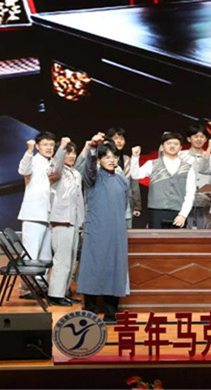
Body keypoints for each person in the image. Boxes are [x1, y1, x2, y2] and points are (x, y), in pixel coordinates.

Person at [76, 133, 130, 322]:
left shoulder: (122, 180)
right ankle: (91, 310)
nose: (111, 160)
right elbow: (89, 167)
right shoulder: (93, 177)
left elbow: (123, 206)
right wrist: (93, 148)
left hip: (116, 231)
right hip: (96, 230)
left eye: (114, 156)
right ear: (99, 159)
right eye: (106, 156)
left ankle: (110, 312)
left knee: (114, 268)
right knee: (93, 267)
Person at [17, 132, 68, 298]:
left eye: (51, 145)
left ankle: (40, 286)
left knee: (45, 255)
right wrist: (29, 151)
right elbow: (23, 170)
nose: (49, 148)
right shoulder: (33, 160)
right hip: (33, 214)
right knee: (31, 253)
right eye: (45, 144)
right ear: (38, 146)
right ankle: (26, 288)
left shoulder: (51, 163)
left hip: (48, 215)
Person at [130, 132, 196, 228]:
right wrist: (135, 158)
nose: (172, 146)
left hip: (178, 212)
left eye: (175, 144)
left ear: (181, 147)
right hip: (156, 211)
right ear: (162, 146)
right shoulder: (152, 164)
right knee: (155, 237)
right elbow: (135, 175)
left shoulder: (188, 167)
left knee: (177, 238)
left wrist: (183, 215)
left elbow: (190, 193)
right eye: (169, 143)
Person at [47, 142, 85, 307]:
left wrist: (81, 221)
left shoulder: (75, 173)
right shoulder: (56, 170)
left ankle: (64, 292)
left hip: (74, 220)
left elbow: (79, 199)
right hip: (61, 220)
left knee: (71, 259)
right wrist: (61, 147)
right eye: (68, 153)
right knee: (61, 259)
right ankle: (55, 294)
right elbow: (55, 167)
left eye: (73, 153)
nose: (72, 156)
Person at [179, 124, 211, 229]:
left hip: (205, 202)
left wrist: (203, 192)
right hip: (183, 202)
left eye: (202, 137)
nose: (199, 139)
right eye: (196, 136)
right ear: (189, 139)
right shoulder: (180, 156)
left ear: (206, 139)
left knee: (205, 232)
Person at [106, 127, 142, 229]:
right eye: (115, 138)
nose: (119, 141)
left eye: (122, 139)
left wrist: (137, 206)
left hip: (126, 203)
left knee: (126, 232)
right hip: (108, 202)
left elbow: (134, 183)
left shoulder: (127, 160)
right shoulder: (102, 160)